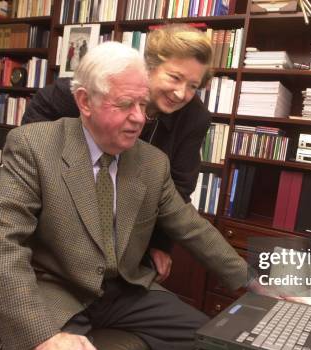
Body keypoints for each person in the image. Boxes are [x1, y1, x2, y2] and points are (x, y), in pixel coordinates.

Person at [0, 42, 256, 350]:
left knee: (207, 343)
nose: (139, 117)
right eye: (125, 104)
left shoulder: (152, 163)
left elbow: (191, 226)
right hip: (55, 286)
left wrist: (251, 280)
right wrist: (43, 337)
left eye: (142, 104)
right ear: (84, 101)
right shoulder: (34, 145)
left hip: (122, 288)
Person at [22, 24, 213, 281]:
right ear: (150, 68)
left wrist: (160, 243)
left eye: (193, 86)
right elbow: (41, 113)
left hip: (128, 225)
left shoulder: (194, 117)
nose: (181, 93)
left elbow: (179, 189)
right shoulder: (100, 87)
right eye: (174, 78)